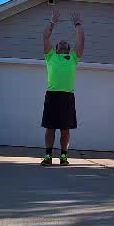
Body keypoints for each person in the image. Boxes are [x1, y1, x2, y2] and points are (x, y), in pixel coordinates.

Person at [40, 9, 85, 166]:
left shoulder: (73, 57)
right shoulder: (50, 56)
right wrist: (52, 22)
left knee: (65, 129)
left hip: (67, 96)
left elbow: (81, 41)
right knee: (50, 127)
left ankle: (64, 157)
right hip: (52, 95)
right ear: (56, 47)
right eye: (60, 42)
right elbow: (45, 36)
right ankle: (47, 156)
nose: (63, 42)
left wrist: (77, 24)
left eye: (66, 42)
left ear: (68, 47)